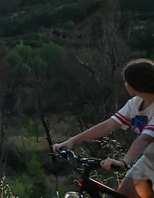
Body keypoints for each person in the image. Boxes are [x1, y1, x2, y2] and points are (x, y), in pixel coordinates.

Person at [52, 58, 154, 198]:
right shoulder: (135, 103)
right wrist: (73, 140)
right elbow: (108, 125)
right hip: (149, 161)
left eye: (126, 81)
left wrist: (124, 162)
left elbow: (145, 139)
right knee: (124, 194)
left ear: (137, 83)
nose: (125, 84)